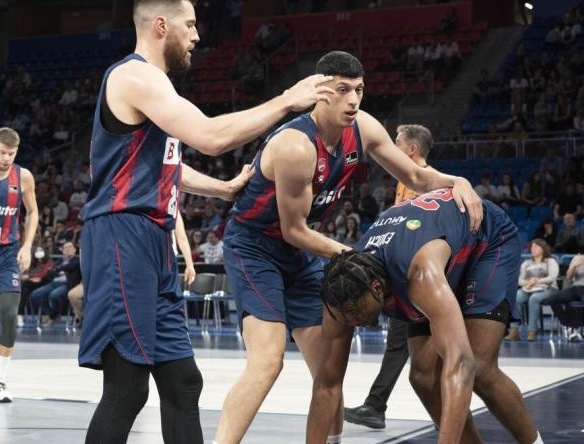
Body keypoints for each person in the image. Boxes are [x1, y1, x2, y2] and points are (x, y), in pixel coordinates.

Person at [77, 0, 335, 442]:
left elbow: (168, 163)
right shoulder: (134, 77)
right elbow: (212, 137)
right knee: (126, 389)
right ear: (161, 26)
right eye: (190, 24)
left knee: (182, 381)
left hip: (152, 241)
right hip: (121, 236)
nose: (197, 35)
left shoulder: (156, 88)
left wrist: (222, 188)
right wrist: (286, 100)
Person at [216, 51, 482, 444]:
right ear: (320, 93)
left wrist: (456, 179)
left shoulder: (364, 127)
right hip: (255, 246)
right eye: (343, 90)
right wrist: (357, 257)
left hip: (304, 252)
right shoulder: (295, 147)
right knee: (268, 360)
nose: (353, 100)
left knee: (329, 374)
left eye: (358, 89)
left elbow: (414, 174)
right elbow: (293, 230)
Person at [308, 190, 541, 444]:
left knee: (480, 368)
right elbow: (326, 386)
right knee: (423, 377)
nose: (352, 322)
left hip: (485, 240)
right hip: (433, 251)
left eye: (355, 313)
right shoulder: (341, 292)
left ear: (376, 288)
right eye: (346, 316)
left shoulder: (420, 277)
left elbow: (461, 363)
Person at [344, 123, 432, 429]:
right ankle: (376, 406)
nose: (391, 146)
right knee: (405, 345)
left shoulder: (424, 181)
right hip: (406, 275)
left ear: (412, 149)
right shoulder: (405, 181)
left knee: (433, 349)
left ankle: (378, 406)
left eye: (397, 142)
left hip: (421, 278)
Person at [0, 127, 39, 402]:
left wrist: (27, 246)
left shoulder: (23, 176)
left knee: (8, 315)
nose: (6, 158)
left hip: (6, 255)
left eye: (11, 154)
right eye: (2, 152)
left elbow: (33, 211)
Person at [550, 237, 584, 341]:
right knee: (553, 297)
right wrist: (573, 266)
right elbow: (569, 277)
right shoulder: (578, 258)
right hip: (575, 288)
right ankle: (568, 324)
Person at [506, 239, 559, 341]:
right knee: (516, 296)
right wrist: (527, 283)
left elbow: (552, 277)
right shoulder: (527, 263)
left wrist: (535, 281)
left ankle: (532, 331)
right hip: (529, 288)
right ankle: (514, 330)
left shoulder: (550, 261)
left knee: (534, 298)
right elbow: (519, 280)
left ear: (543, 249)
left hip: (548, 289)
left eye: (536, 247)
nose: (533, 249)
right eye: (532, 247)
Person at [30, 241, 81, 327]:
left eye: (70, 247)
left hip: (66, 285)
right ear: (62, 251)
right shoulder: (58, 261)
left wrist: (58, 269)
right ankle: (53, 314)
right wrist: (58, 270)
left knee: (54, 295)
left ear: (75, 250)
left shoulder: (77, 260)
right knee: (35, 295)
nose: (68, 249)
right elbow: (50, 273)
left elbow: (70, 267)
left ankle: (53, 315)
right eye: (65, 248)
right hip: (54, 283)